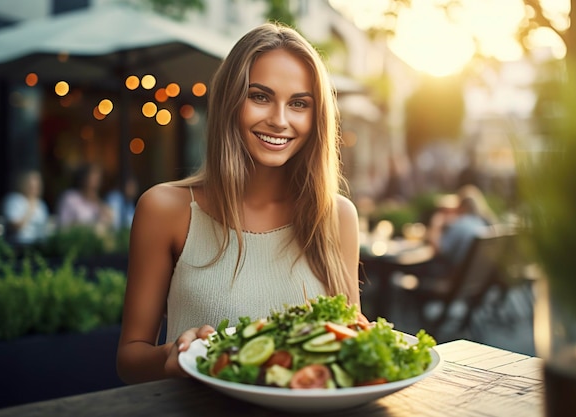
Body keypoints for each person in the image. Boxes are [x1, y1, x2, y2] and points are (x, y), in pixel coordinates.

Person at [116, 23, 362, 384]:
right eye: (260, 96)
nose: (279, 120)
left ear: (316, 116)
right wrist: (173, 356)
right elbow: (130, 358)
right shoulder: (165, 209)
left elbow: (350, 342)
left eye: (298, 103)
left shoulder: (337, 216)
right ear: (230, 100)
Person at [56, 163, 114, 232]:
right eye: (93, 177)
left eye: (99, 178)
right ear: (84, 178)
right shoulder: (70, 198)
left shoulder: (98, 204)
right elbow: (63, 225)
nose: (97, 181)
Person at [1, 169, 49, 245]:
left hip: (39, 244)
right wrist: (30, 209)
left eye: (36, 186)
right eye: (31, 186)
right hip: (19, 244)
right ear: (23, 184)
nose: (34, 190)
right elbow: (15, 227)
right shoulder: (14, 200)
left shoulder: (41, 204)